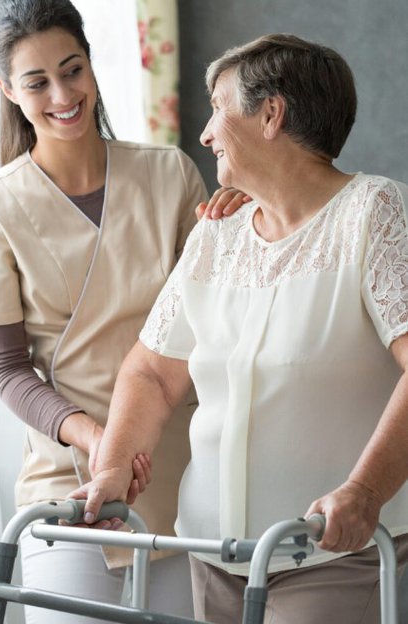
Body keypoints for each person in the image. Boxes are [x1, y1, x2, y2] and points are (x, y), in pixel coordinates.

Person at [71, 33, 408, 624]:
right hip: (212, 556)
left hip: (332, 554)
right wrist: (113, 466)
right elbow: (151, 370)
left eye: (218, 108)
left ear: (271, 114)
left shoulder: (372, 214)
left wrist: (366, 492)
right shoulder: (217, 234)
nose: (203, 133)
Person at [0, 1, 249, 622]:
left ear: (93, 68)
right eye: (37, 81)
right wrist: (98, 439)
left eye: (72, 70)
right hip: (67, 485)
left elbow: (221, 319)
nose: (61, 94)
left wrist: (241, 230)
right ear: (7, 91)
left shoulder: (169, 174)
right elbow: (6, 370)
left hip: (178, 477)